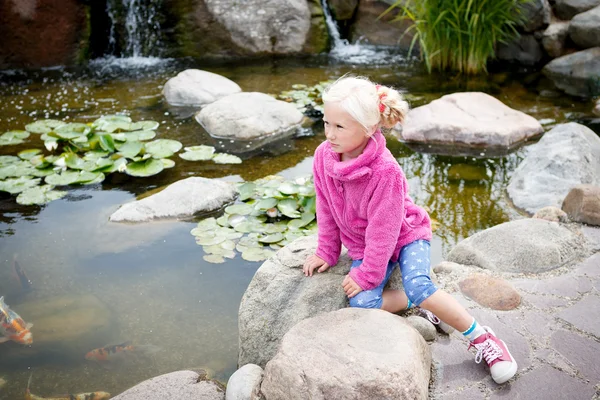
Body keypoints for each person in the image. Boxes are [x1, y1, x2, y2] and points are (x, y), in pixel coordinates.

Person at [302, 75, 517, 385]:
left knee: (419, 284)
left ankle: (482, 338)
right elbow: (325, 205)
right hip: (366, 245)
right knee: (362, 304)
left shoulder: (385, 171)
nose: (329, 134)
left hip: (404, 235)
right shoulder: (323, 157)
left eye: (339, 127)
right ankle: (423, 306)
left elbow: (385, 231)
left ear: (369, 128)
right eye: (326, 123)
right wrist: (326, 250)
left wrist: (368, 275)